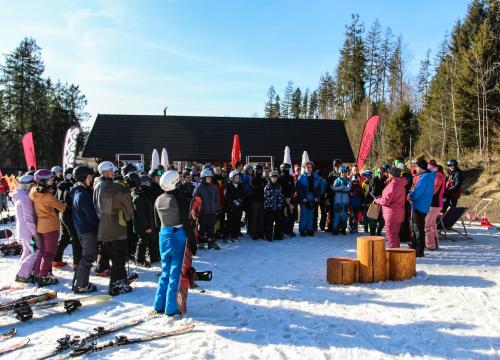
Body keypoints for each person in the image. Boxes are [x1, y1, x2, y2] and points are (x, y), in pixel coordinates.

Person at [153, 170, 197, 316]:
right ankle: (171, 307)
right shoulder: (179, 199)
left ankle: (159, 304)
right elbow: (186, 222)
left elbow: (156, 222)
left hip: (163, 235)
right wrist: (193, 241)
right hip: (178, 234)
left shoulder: (158, 199)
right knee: (175, 273)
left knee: (165, 271)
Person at [94, 161, 134, 295]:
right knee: (119, 257)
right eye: (111, 170)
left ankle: (120, 280)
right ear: (105, 171)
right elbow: (117, 208)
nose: (114, 172)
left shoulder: (98, 184)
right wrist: (126, 214)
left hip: (105, 226)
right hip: (114, 226)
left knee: (115, 255)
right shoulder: (110, 187)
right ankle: (116, 284)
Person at [30, 169, 66, 286]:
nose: (53, 180)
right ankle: (43, 276)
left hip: (41, 225)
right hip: (50, 226)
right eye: (50, 179)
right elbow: (62, 207)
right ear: (44, 181)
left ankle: (37, 273)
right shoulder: (47, 196)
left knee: (43, 251)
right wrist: (64, 202)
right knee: (49, 253)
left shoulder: (34, 192)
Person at [71, 165, 99, 293]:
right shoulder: (82, 195)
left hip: (83, 230)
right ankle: (80, 285)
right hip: (87, 231)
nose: (91, 180)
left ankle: (79, 280)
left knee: (86, 256)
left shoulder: (79, 192)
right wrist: (99, 226)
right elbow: (91, 215)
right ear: (83, 178)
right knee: (88, 257)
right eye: (89, 177)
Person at [53, 167, 80, 269]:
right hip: (68, 214)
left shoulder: (61, 184)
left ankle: (56, 258)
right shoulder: (67, 185)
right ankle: (77, 263)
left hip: (63, 213)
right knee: (75, 237)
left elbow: (57, 198)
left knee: (65, 237)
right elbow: (67, 200)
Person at [408, 160, 436, 257]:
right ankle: (415, 248)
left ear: (421, 167)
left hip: (420, 206)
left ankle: (419, 251)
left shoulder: (425, 178)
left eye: (416, 167)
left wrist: (410, 196)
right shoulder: (427, 177)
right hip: (422, 205)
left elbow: (418, 191)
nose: (415, 168)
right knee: (417, 228)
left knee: (418, 229)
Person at [13, 175, 38, 283]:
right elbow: (28, 218)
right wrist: (35, 233)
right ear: (29, 184)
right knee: (36, 251)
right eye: (33, 183)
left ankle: (23, 271)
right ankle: (22, 274)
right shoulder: (25, 198)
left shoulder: (19, 194)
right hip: (28, 230)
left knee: (28, 250)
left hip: (22, 229)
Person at [375, 167, 407, 248]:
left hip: (391, 214)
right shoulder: (400, 183)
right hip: (399, 213)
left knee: (391, 236)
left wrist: (377, 200)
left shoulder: (393, 185)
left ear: (392, 175)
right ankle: (396, 253)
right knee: (395, 235)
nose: (387, 174)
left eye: (389, 173)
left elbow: (385, 201)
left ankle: (393, 255)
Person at [129, 173, 156, 267]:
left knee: (147, 241)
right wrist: (147, 226)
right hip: (141, 226)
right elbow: (140, 215)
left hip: (146, 224)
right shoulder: (137, 198)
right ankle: (139, 259)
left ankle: (148, 257)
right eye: (148, 184)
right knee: (142, 241)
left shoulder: (143, 195)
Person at [193, 168, 220, 249]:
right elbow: (195, 200)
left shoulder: (213, 187)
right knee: (203, 228)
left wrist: (216, 207)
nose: (210, 179)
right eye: (208, 178)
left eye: (210, 177)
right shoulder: (199, 188)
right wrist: (199, 210)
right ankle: (201, 242)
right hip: (203, 212)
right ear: (203, 178)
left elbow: (217, 198)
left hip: (212, 211)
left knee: (211, 227)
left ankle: (211, 242)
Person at [425, 161, 445, 250]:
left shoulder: (438, 177)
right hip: (436, 203)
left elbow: (433, 191)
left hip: (434, 203)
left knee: (427, 225)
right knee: (432, 225)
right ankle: (434, 244)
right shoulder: (439, 176)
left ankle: (430, 245)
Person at [297, 161, 320, 236]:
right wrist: (303, 198)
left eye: (310, 167)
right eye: (307, 167)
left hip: (313, 197)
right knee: (304, 215)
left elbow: (318, 188)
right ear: (304, 168)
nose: (309, 169)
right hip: (304, 197)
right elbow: (299, 189)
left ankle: (309, 229)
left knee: (311, 215)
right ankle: (302, 230)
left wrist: (317, 197)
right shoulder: (301, 177)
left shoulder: (315, 177)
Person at [263, 170, 284, 241]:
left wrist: (280, 206)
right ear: (270, 178)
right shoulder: (267, 187)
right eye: (273, 177)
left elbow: (280, 197)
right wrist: (267, 207)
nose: (274, 178)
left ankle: (277, 235)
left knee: (278, 223)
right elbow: (266, 198)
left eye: (275, 177)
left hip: (277, 208)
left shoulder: (279, 186)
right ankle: (268, 236)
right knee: (269, 223)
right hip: (270, 208)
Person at [224, 170, 245, 240]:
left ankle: (235, 235)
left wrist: (240, 200)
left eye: (238, 177)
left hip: (238, 207)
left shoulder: (240, 186)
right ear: (231, 178)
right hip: (230, 207)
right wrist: (233, 201)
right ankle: (227, 236)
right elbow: (226, 196)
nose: (237, 179)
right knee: (230, 222)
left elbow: (243, 195)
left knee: (237, 221)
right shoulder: (228, 186)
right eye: (236, 177)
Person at [248, 164, 267, 240]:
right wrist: (260, 188)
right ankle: (254, 233)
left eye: (260, 170)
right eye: (257, 170)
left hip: (262, 201)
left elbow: (265, 189)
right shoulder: (252, 179)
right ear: (255, 171)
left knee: (261, 218)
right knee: (255, 217)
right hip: (254, 201)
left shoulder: (264, 180)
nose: (258, 171)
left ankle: (261, 233)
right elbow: (254, 188)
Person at [368, 166, 387, 236]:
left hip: (383, 202)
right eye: (378, 172)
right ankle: (372, 232)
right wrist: (366, 201)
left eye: (381, 172)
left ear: (384, 173)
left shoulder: (386, 180)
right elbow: (369, 191)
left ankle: (379, 231)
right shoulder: (373, 180)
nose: (380, 173)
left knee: (382, 220)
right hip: (374, 202)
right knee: (373, 219)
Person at [331, 165, 351, 235]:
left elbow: (348, 188)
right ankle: (335, 229)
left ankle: (343, 229)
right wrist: (342, 188)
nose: (343, 174)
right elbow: (333, 188)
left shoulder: (348, 181)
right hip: (337, 201)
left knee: (344, 216)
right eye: (342, 172)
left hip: (345, 202)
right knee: (336, 216)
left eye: (345, 172)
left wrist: (340, 188)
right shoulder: (336, 180)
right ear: (340, 173)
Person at [278, 163, 296, 237]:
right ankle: (282, 231)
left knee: (291, 215)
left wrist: (290, 198)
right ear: (282, 169)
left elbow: (293, 188)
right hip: (282, 200)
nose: (287, 170)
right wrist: (285, 198)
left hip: (291, 199)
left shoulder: (291, 177)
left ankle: (290, 230)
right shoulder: (279, 178)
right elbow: (279, 189)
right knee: (283, 216)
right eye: (286, 168)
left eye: (288, 168)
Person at [212, 166, 226, 240]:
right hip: (215, 203)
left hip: (222, 201)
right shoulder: (212, 180)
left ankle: (221, 232)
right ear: (214, 171)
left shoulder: (223, 179)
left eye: (219, 169)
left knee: (222, 218)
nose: (218, 171)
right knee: (215, 219)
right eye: (216, 170)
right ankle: (215, 233)